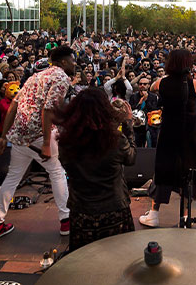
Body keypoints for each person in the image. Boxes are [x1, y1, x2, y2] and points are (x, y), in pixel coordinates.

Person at [0, 45, 76, 241]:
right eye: (72, 60)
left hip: (20, 135)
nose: (74, 63)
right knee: (57, 172)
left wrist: (3, 136)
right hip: (39, 135)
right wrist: (45, 142)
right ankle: (66, 221)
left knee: (12, 178)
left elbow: (14, 106)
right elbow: (48, 110)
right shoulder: (61, 77)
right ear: (62, 62)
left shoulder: (35, 77)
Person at [139, 49, 196, 227]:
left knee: (163, 170)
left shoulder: (162, 82)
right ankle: (184, 216)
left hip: (168, 131)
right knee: (188, 172)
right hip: (189, 133)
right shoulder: (194, 84)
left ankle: (154, 214)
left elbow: (152, 87)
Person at [57, 87, 137, 250]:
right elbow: (131, 158)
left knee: (85, 257)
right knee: (118, 255)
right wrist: (127, 125)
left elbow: (65, 164)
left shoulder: (66, 142)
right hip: (114, 209)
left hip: (82, 211)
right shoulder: (115, 139)